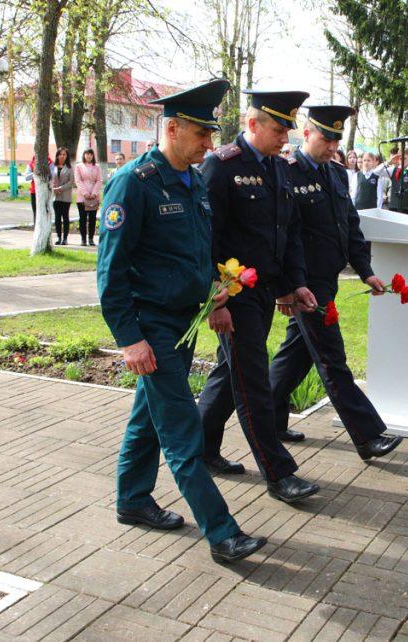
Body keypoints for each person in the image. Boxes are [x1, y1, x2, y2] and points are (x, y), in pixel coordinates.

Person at [96, 78, 266, 564]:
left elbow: (197, 253)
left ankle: (131, 500)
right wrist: (131, 340)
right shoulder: (134, 183)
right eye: (202, 135)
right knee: (181, 429)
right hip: (153, 328)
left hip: (186, 319)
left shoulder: (193, 181)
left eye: (212, 135)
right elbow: (110, 272)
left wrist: (215, 300)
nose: (211, 144)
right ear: (172, 129)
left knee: (148, 418)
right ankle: (222, 532)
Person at [195, 89, 323, 504]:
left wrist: (294, 282)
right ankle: (279, 472)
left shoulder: (279, 168)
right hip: (234, 294)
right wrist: (217, 300)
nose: (285, 136)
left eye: (288, 127)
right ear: (253, 125)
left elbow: (288, 235)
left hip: (266, 290)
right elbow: (206, 240)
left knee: (227, 373)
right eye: (278, 127)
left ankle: (200, 447)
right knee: (252, 380)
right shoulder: (221, 166)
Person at [269, 105, 403, 462]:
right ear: (307, 133)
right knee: (332, 359)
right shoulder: (286, 172)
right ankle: (368, 435)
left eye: (336, 140)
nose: (332, 147)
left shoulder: (337, 174)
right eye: (326, 138)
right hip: (305, 285)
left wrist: (365, 270)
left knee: (295, 356)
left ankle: (267, 417)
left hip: (327, 279)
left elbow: (349, 227)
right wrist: (288, 286)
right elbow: (283, 237)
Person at [74, 149, 103, 246]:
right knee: (82, 218)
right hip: (82, 196)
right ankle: (83, 239)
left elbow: (99, 180)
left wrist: (94, 193)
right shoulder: (78, 166)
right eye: (87, 154)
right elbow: (78, 180)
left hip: (94, 196)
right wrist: (85, 193)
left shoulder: (97, 167)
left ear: (93, 156)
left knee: (92, 218)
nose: (89, 156)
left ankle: (91, 239)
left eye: (91, 154)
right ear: (84, 155)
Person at [379, 148, 408, 214]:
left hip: (407, 208)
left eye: (404, 158)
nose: (402, 161)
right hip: (393, 207)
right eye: (400, 158)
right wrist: (389, 162)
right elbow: (377, 172)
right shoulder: (393, 170)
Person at [51, 147, 74, 245]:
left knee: (65, 217)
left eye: (64, 154)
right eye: (60, 154)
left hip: (65, 196)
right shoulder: (53, 166)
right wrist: (54, 189)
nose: (62, 156)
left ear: (67, 156)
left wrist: (61, 188)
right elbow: (50, 179)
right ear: (57, 155)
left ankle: (65, 238)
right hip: (55, 196)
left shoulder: (70, 167)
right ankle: (58, 237)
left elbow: (71, 182)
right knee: (57, 217)